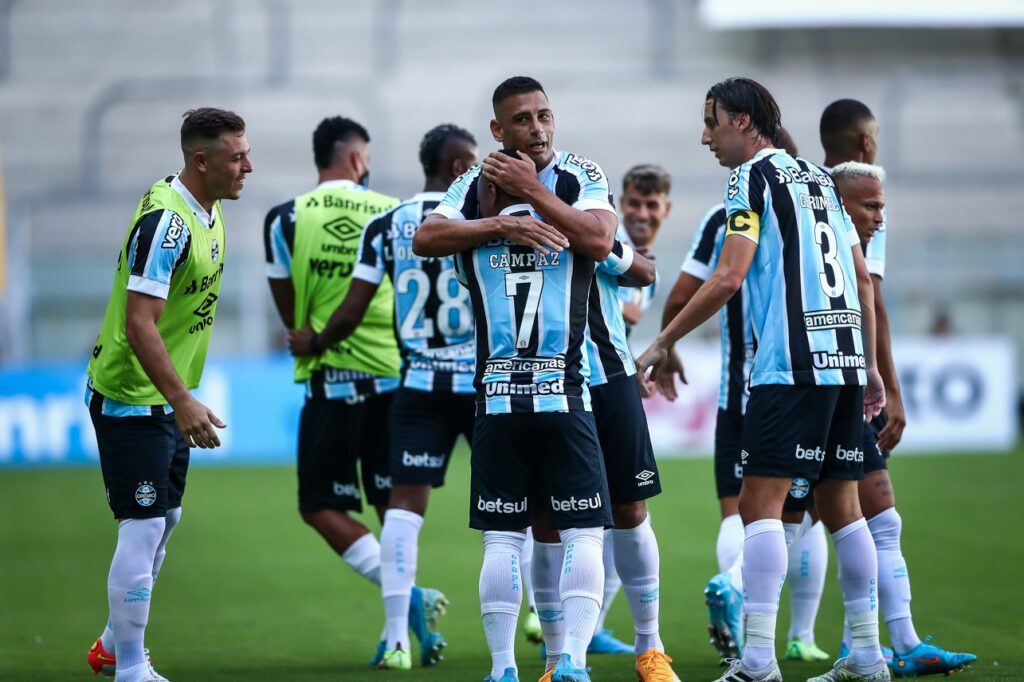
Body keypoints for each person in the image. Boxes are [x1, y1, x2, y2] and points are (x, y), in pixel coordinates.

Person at [637, 77, 888, 682]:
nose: (705, 136)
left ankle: (756, 661)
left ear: (744, 122)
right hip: (843, 359)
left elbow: (727, 277)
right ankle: (867, 655)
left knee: (759, 507)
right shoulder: (819, 180)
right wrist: (871, 365)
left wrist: (665, 339)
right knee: (843, 507)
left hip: (790, 364)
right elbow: (860, 277)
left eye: (712, 121)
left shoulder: (750, 179)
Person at [414, 76, 617, 682]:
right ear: (497, 131)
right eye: (522, 119)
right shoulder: (470, 186)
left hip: (565, 386)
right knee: (510, 537)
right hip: (498, 392)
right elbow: (426, 236)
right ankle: (503, 667)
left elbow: (601, 240)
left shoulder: (580, 175)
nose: (538, 127)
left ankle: (571, 662)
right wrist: (501, 226)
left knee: (580, 529)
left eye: (544, 115)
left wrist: (532, 192)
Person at [298, 123, 479, 670]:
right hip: (479, 383)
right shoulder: (480, 218)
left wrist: (315, 341)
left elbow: (351, 311)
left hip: (418, 384)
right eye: (472, 162)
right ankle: (537, 623)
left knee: (403, 511)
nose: (479, 171)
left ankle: (398, 638)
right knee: (512, 507)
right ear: (455, 167)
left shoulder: (388, 223)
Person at [264, 116, 442, 664]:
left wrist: (309, 339)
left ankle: (409, 602)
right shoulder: (394, 215)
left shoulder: (285, 218)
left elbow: (289, 310)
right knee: (397, 511)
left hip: (332, 382)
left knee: (319, 504)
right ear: (358, 159)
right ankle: (403, 617)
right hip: (397, 383)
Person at [85, 108, 252, 682]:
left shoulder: (208, 210)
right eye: (236, 156)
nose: (248, 166)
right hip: (133, 395)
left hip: (164, 396)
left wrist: (181, 397)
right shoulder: (168, 223)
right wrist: (182, 400)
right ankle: (130, 667)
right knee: (145, 523)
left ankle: (112, 643)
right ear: (200, 161)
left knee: (166, 518)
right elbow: (139, 323)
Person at [658, 128, 832, 664]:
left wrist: (667, 343)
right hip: (804, 372)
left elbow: (686, 289)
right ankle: (795, 629)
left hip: (745, 389)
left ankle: (741, 599)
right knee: (811, 507)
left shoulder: (721, 217)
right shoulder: (812, 199)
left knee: (742, 510)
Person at [829, 157, 976, 678]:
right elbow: (875, 301)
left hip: (822, 386)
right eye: (872, 206)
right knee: (792, 519)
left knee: (867, 518)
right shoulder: (835, 232)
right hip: (826, 387)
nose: (879, 217)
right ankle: (761, 641)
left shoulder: (819, 221)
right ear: (866, 143)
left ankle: (877, 647)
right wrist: (885, 381)